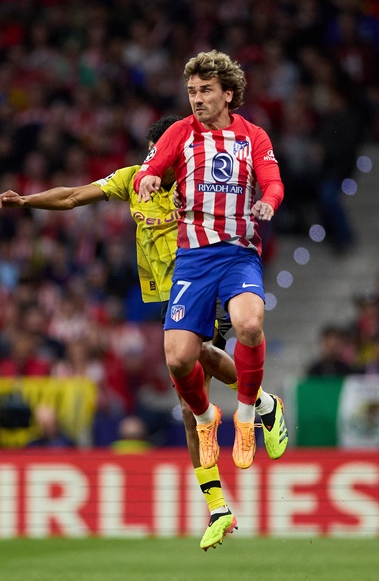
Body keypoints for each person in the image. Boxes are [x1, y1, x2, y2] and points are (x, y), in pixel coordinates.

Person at [0, 115, 241, 550]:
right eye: (151, 151)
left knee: (194, 360)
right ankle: (218, 506)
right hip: (170, 299)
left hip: (205, 283)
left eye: (161, 151)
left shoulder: (197, 181)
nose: (153, 159)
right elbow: (73, 196)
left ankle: (260, 398)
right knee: (188, 409)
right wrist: (26, 200)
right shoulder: (133, 179)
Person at [134, 50, 288, 474]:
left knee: (249, 324)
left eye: (205, 90)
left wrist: (269, 202)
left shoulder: (253, 136)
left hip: (239, 253)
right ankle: (206, 418)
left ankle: (246, 417)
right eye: (192, 91)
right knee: (179, 359)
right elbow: (150, 167)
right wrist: (148, 177)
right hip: (194, 260)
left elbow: (273, 182)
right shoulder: (180, 132)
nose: (197, 98)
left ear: (228, 94)